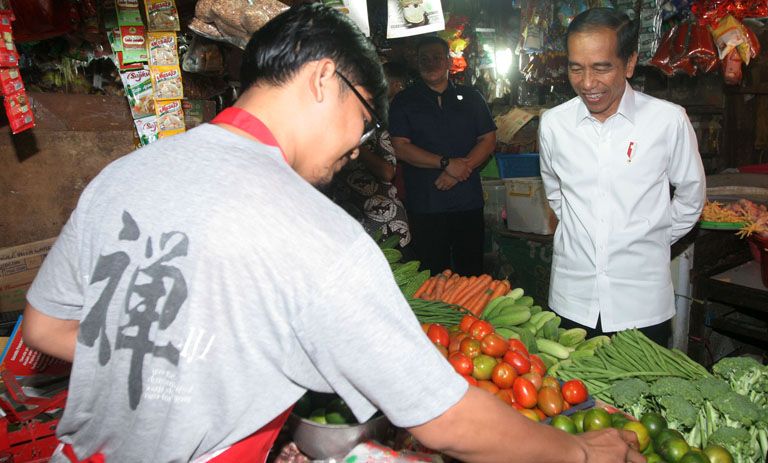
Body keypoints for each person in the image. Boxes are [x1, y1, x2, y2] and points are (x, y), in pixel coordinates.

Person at [21, 4, 643, 463]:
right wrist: (581, 456)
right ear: (324, 80)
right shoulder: (318, 233)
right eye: (367, 120)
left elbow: (46, 329)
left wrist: (194, 361)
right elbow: (444, 418)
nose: (359, 147)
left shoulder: (122, 176)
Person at [538, 7, 706, 346]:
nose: (587, 83)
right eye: (576, 68)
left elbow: (691, 196)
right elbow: (556, 196)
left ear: (629, 63)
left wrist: (651, 238)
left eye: (601, 68)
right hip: (573, 299)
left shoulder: (667, 121)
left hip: (641, 304)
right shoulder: (554, 124)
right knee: (572, 395)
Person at [389, 36, 496, 277]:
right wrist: (446, 164)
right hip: (426, 204)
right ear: (416, 63)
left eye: (437, 57)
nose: (431, 63)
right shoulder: (404, 101)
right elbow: (400, 147)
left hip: (467, 202)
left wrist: (459, 170)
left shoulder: (472, 98)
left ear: (448, 61)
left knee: (471, 275)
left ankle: (473, 316)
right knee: (432, 276)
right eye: (424, 59)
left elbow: (488, 140)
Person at [327, 62, 411, 249]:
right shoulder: (325, 128)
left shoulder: (375, 127)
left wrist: (355, 144)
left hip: (384, 221)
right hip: (344, 221)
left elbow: (388, 172)